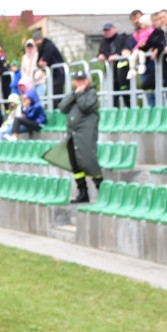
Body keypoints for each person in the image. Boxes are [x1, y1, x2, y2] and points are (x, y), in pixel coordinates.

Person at [59, 70, 103, 203]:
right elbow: (62, 107)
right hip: (73, 135)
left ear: (87, 80)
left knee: (89, 161)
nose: (80, 83)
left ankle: (101, 189)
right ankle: (83, 192)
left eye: (83, 80)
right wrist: (75, 93)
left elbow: (85, 106)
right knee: (75, 164)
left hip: (85, 135)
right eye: (78, 80)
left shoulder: (91, 93)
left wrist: (80, 93)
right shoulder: (75, 94)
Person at [97, 23, 135, 108]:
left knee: (126, 93)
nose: (107, 32)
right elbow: (101, 53)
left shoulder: (122, 38)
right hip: (111, 73)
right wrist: (101, 55)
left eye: (109, 30)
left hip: (123, 72)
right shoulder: (104, 42)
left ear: (114, 29)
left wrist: (117, 56)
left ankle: (131, 111)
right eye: (105, 31)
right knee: (113, 96)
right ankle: (114, 114)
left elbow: (126, 51)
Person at [32, 30, 65, 99]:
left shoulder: (48, 46)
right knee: (53, 94)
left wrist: (41, 64)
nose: (37, 43)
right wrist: (40, 64)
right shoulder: (41, 47)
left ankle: (58, 109)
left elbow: (44, 61)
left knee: (57, 94)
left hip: (59, 72)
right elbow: (38, 62)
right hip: (53, 74)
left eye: (37, 40)